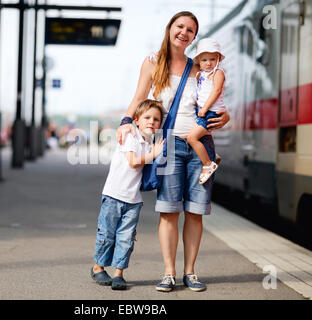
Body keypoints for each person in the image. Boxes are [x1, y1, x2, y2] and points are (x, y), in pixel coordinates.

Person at [116, 11, 230, 292]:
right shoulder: (153, 62)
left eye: (191, 30)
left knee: (195, 212)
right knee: (169, 212)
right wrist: (125, 121)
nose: (184, 32)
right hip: (168, 146)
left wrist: (225, 118)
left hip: (200, 146)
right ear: (170, 28)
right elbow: (139, 97)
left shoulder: (199, 67)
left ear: (194, 37)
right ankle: (169, 272)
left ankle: (190, 272)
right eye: (180, 26)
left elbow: (215, 101)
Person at [91, 99, 166, 290]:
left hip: (133, 200)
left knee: (126, 237)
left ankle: (118, 274)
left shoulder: (151, 143)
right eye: (147, 117)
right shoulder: (130, 136)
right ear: (136, 120)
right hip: (114, 195)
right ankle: (98, 267)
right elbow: (133, 161)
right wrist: (154, 154)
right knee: (107, 234)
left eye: (156, 119)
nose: (151, 122)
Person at [186, 38, 226, 184]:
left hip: (210, 112)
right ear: (199, 61)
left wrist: (204, 108)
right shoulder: (202, 74)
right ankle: (213, 156)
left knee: (192, 137)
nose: (208, 63)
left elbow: (216, 91)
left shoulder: (218, 73)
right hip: (203, 110)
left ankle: (208, 164)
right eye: (204, 60)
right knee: (198, 136)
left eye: (212, 59)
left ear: (218, 59)